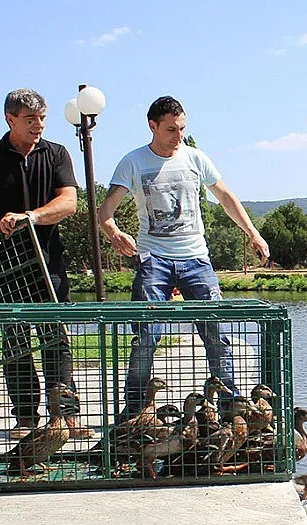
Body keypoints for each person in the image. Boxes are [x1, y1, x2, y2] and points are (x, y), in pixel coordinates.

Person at [98, 95, 270, 419]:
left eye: (182, 129)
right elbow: (105, 211)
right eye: (171, 130)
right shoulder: (133, 162)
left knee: (216, 333)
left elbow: (225, 196)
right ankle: (134, 412)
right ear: (152, 126)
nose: (178, 136)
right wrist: (115, 232)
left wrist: (253, 233)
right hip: (154, 259)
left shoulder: (195, 158)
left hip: (196, 259)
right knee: (147, 336)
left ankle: (229, 407)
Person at [0, 88, 93, 440]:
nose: (38, 125)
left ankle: (66, 416)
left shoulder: (56, 153)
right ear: (10, 119)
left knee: (55, 336)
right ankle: (25, 417)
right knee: (15, 339)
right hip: (4, 263)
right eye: (30, 119)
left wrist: (31, 217)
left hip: (49, 261)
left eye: (42, 118)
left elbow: (69, 202)